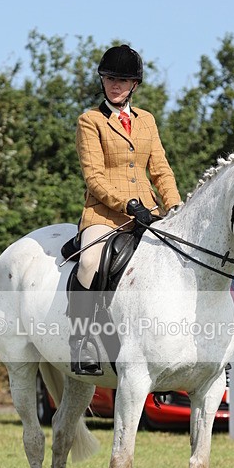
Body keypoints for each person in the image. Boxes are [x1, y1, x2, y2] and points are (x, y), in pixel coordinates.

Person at [69, 43, 182, 375]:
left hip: (149, 213)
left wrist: (174, 206)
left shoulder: (146, 121)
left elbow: (160, 169)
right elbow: (94, 177)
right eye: (109, 79)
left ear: (135, 84)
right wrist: (128, 204)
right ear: (102, 81)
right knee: (90, 261)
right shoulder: (90, 121)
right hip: (105, 215)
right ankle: (83, 341)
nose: (115, 85)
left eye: (122, 80)